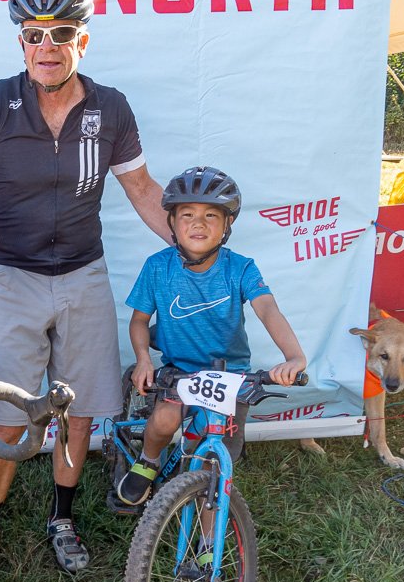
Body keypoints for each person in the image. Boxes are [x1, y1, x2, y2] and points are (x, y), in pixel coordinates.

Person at [0, 0, 171, 577]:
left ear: (81, 40)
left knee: (79, 408)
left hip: (84, 273)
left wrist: (193, 248)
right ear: (21, 43)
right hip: (12, 276)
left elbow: (142, 188)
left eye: (61, 33)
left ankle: (62, 515)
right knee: (9, 413)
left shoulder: (110, 108)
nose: (47, 46)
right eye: (34, 34)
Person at [115, 167, 307, 508]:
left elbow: (268, 309)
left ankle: (207, 535)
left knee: (215, 462)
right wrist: (143, 359)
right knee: (163, 420)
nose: (198, 224)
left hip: (230, 375)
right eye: (187, 215)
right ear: (172, 222)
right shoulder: (157, 267)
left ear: (227, 225)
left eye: (211, 216)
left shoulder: (241, 268)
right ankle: (148, 461)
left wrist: (294, 357)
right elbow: (139, 321)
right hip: (180, 369)